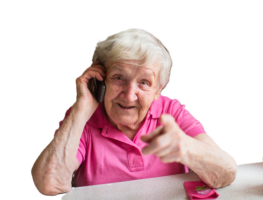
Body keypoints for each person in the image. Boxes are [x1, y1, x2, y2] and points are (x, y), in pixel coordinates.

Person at [30, 27, 237, 196]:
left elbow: (225, 173)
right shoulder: (83, 116)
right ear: (100, 79)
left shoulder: (171, 112)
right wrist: (80, 109)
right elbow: (50, 185)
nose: (129, 95)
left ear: (158, 90)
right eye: (119, 78)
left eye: (144, 83)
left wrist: (185, 147)